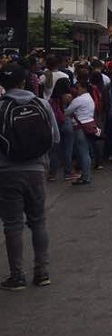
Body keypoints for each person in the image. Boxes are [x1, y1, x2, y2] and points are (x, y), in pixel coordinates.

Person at [0, 63, 59, 290]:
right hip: (36, 171)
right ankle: (42, 272)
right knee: (38, 222)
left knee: (12, 225)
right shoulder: (42, 104)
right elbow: (54, 138)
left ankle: (17, 276)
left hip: (7, 173)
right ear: (24, 81)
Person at [64, 69, 98, 185]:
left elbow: (66, 112)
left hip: (79, 128)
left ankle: (86, 176)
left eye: (78, 88)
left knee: (83, 152)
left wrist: (68, 102)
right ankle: (86, 175)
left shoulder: (78, 100)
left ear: (83, 88)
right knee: (86, 152)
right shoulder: (90, 99)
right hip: (89, 126)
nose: (76, 90)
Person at [47, 78, 74, 182]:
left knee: (54, 150)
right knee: (68, 149)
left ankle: (52, 174)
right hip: (66, 122)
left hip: (55, 124)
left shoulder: (52, 99)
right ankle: (68, 172)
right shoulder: (68, 96)